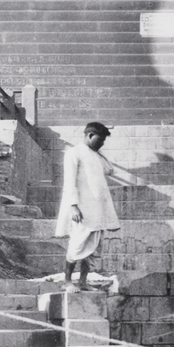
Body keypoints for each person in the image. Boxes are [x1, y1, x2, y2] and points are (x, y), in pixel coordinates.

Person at [55, 121, 123, 291]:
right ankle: (67, 281)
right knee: (77, 245)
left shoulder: (95, 155)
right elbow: (69, 181)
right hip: (82, 210)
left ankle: (83, 282)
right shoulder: (73, 153)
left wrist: (98, 151)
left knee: (91, 249)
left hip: (97, 210)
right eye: (100, 140)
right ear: (90, 135)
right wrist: (73, 206)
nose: (102, 144)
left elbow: (109, 170)